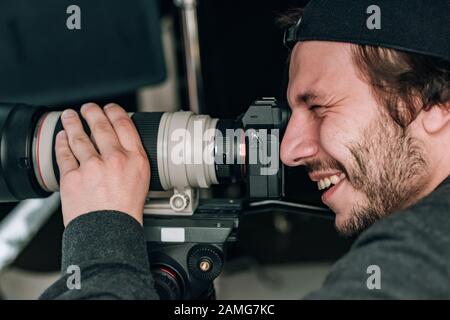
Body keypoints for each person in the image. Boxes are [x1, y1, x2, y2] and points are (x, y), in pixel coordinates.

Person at [40, 0, 450, 299]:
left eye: (319, 107)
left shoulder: (421, 255)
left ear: (434, 104)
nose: (288, 150)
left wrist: (101, 239)